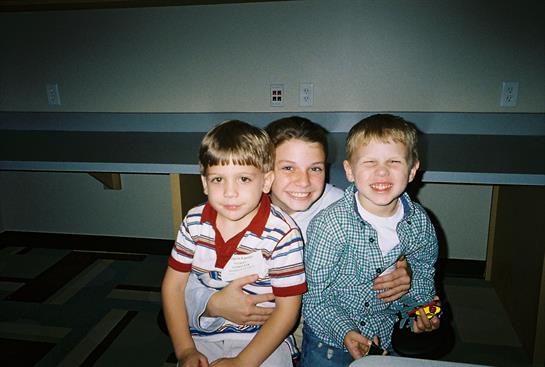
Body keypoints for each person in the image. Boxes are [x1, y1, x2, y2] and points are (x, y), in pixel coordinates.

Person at [183, 117, 421, 357]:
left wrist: (405, 270)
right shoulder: (234, 210)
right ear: (264, 171)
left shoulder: (343, 209)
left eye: (315, 168)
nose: (304, 182)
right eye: (288, 168)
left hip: (321, 323)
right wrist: (212, 304)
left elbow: (394, 227)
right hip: (239, 325)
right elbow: (190, 279)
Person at [161, 120, 307, 367]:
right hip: (202, 332)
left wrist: (242, 362)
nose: (230, 192)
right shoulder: (194, 222)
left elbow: (287, 311)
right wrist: (185, 350)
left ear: (266, 181)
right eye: (218, 180)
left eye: (244, 179)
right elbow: (173, 287)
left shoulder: (283, 234)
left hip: (263, 338)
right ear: (205, 183)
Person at [301, 114, 439, 366]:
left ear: (412, 170)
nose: (382, 171)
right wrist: (345, 332)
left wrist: (419, 310)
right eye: (370, 162)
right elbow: (315, 297)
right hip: (329, 340)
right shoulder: (330, 225)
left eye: (394, 161)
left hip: (385, 334)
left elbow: (422, 271)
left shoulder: (420, 222)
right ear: (349, 171)